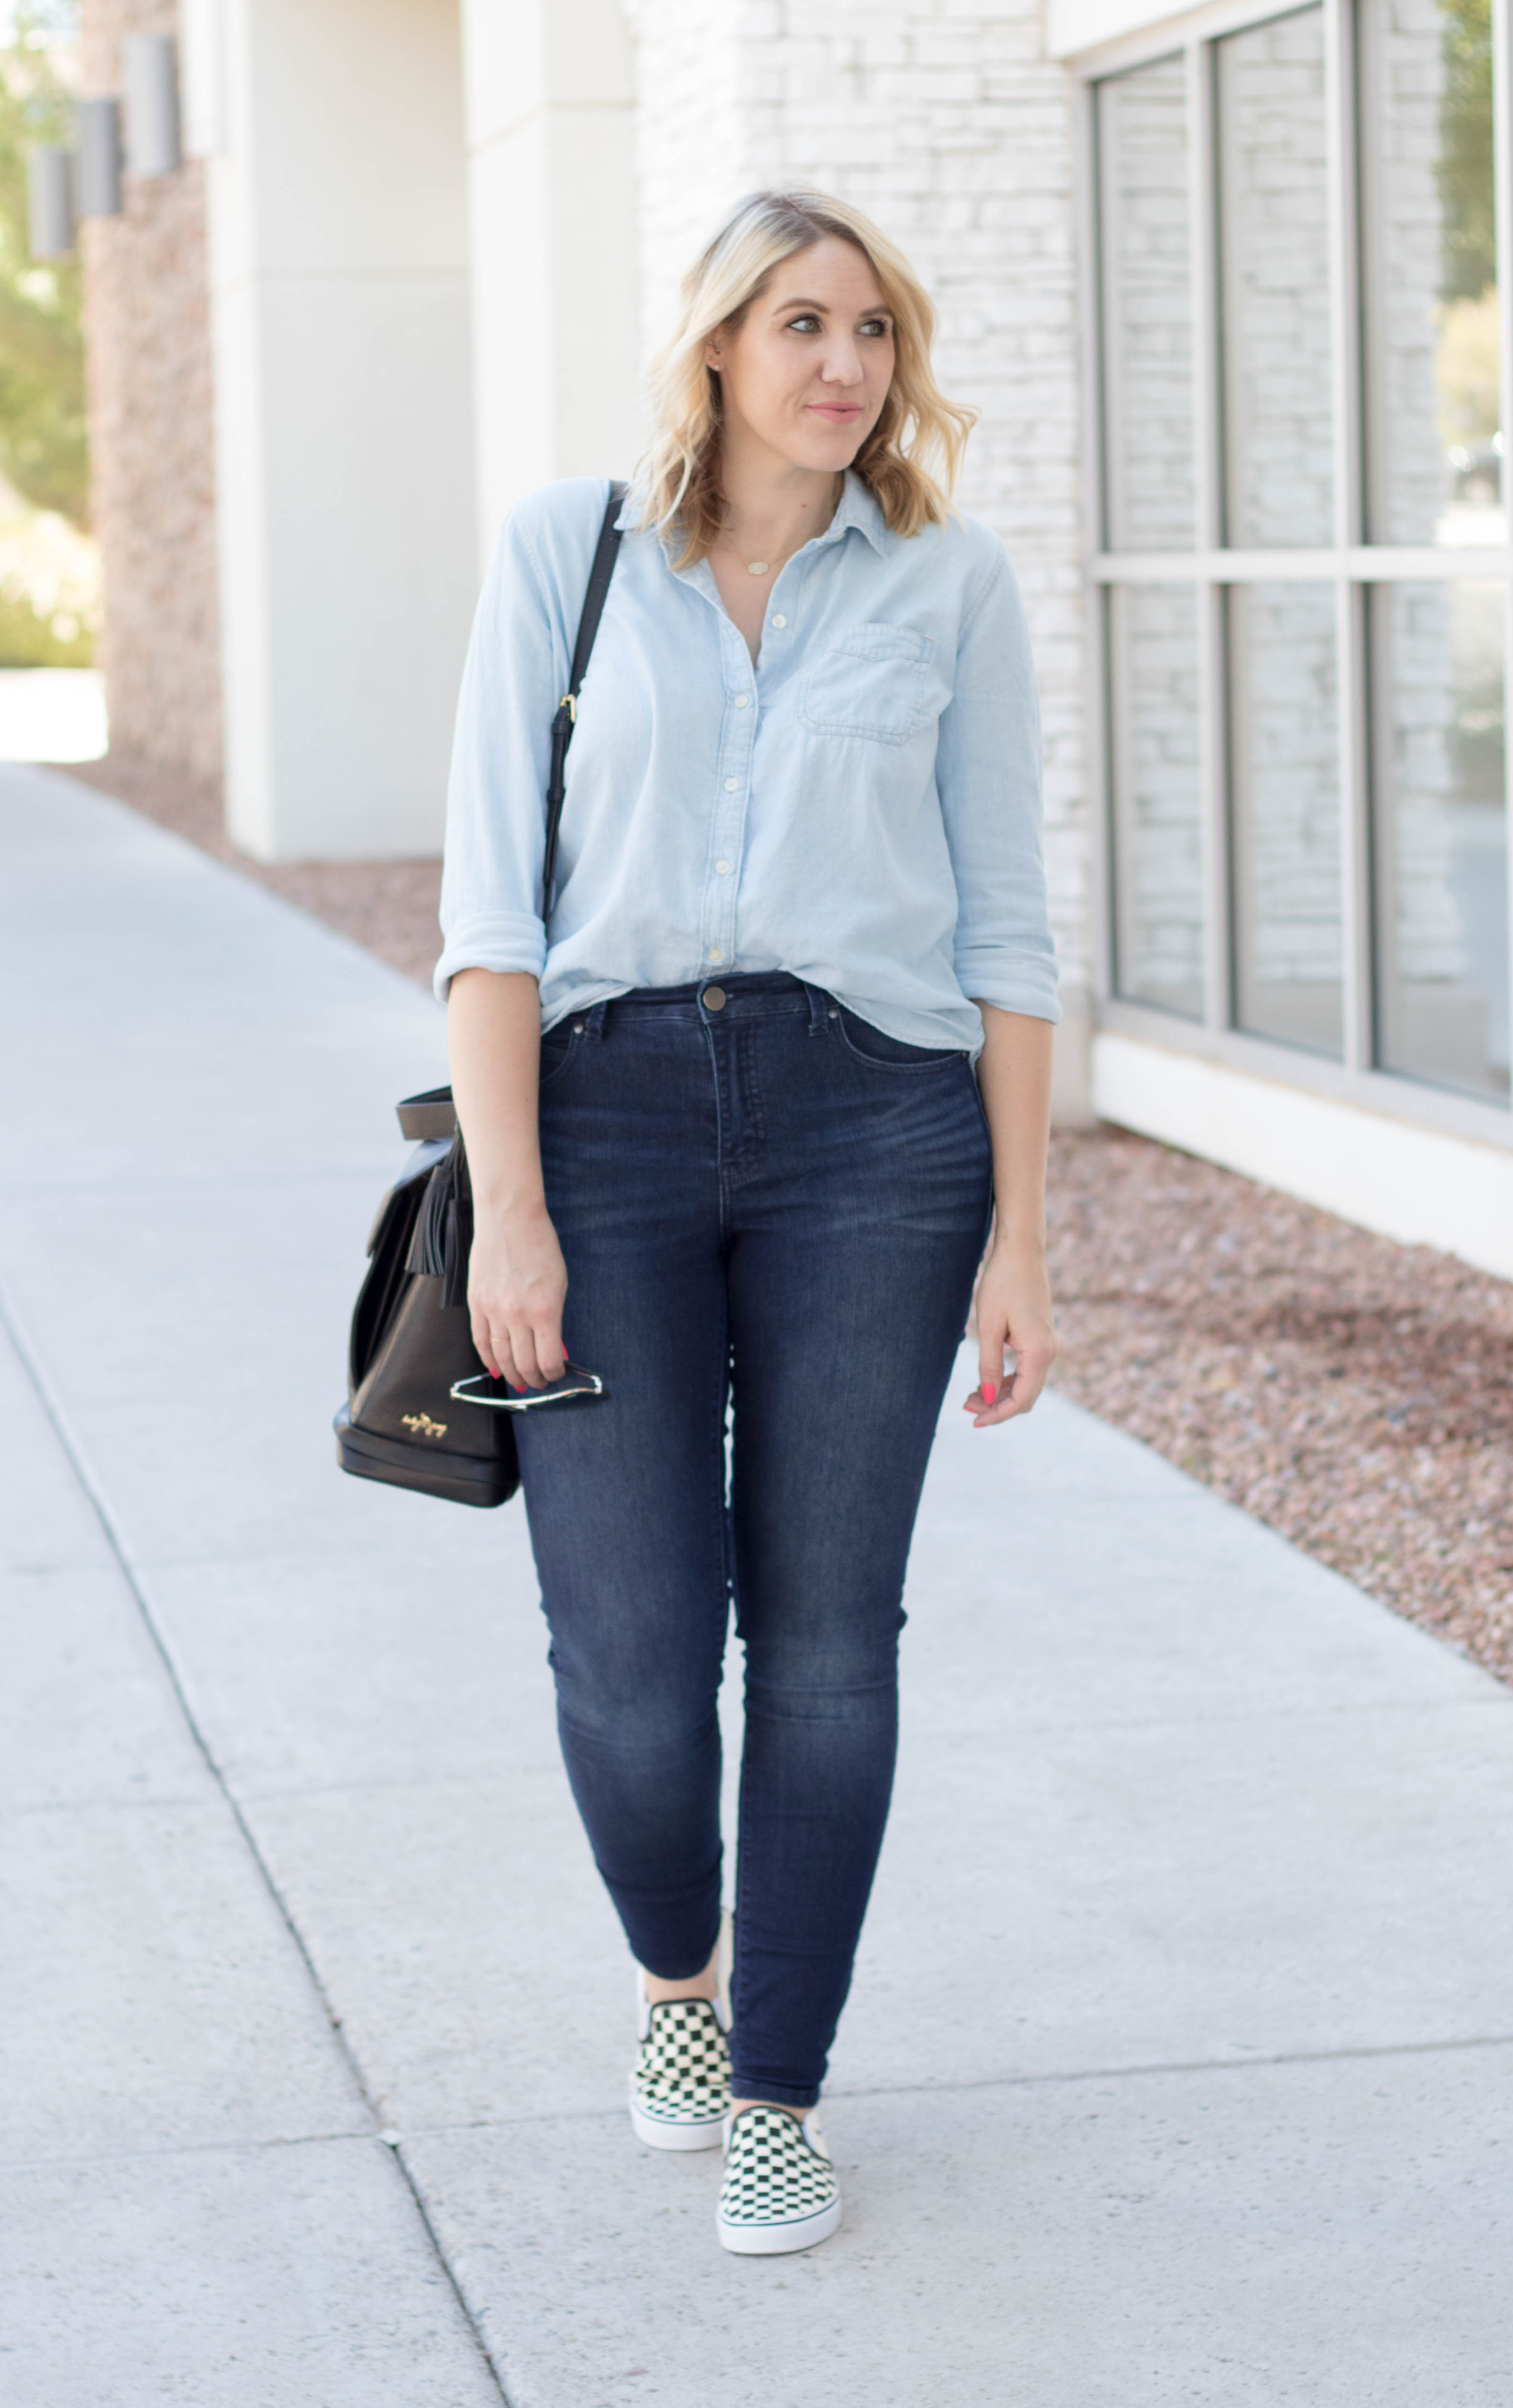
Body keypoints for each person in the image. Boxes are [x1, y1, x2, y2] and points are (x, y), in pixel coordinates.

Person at [436, 189, 1059, 2256]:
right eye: (800, 323)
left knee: (823, 1643)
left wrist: (1023, 1238)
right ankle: (675, 1992)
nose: (842, 367)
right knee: (624, 1653)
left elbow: (1007, 935)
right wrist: (508, 1213)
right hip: (602, 1131)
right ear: (715, 344)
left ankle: (780, 2083)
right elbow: (488, 920)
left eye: (872, 331)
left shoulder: (947, 586)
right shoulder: (568, 552)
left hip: (873, 1142)